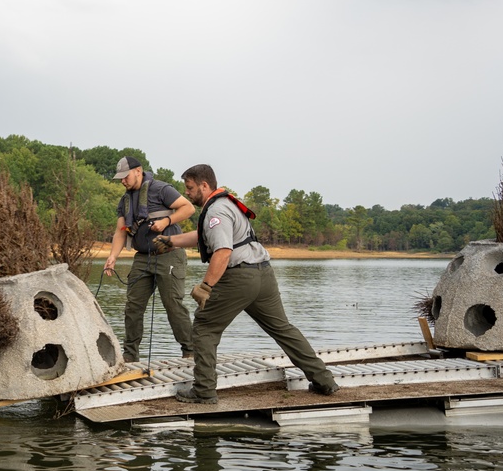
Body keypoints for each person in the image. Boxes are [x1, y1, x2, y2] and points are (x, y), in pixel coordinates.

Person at [152, 163, 339, 404]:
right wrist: (171, 241)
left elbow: (222, 251)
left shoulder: (216, 211)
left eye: (189, 188)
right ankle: (325, 381)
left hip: (240, 277)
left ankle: (204, 390)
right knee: (283, 329)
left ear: (204, 185)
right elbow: (203, 236)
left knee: (204, 328)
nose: (186, 193)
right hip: (264, 274)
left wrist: (206, 286)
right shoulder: (226, 204)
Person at [104, 156, 195, 362]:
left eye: (125, 177)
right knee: (132, 307)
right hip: (142, 258)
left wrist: (166, 221)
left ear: (138, 171)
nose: (123, 182)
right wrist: (112, 256)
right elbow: (120, 231)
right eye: (119, 179)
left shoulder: (161, 189)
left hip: (169, 255)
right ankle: (130, 355)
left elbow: (188, 208)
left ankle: (190, 351)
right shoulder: (124, 201)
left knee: (173, 305)